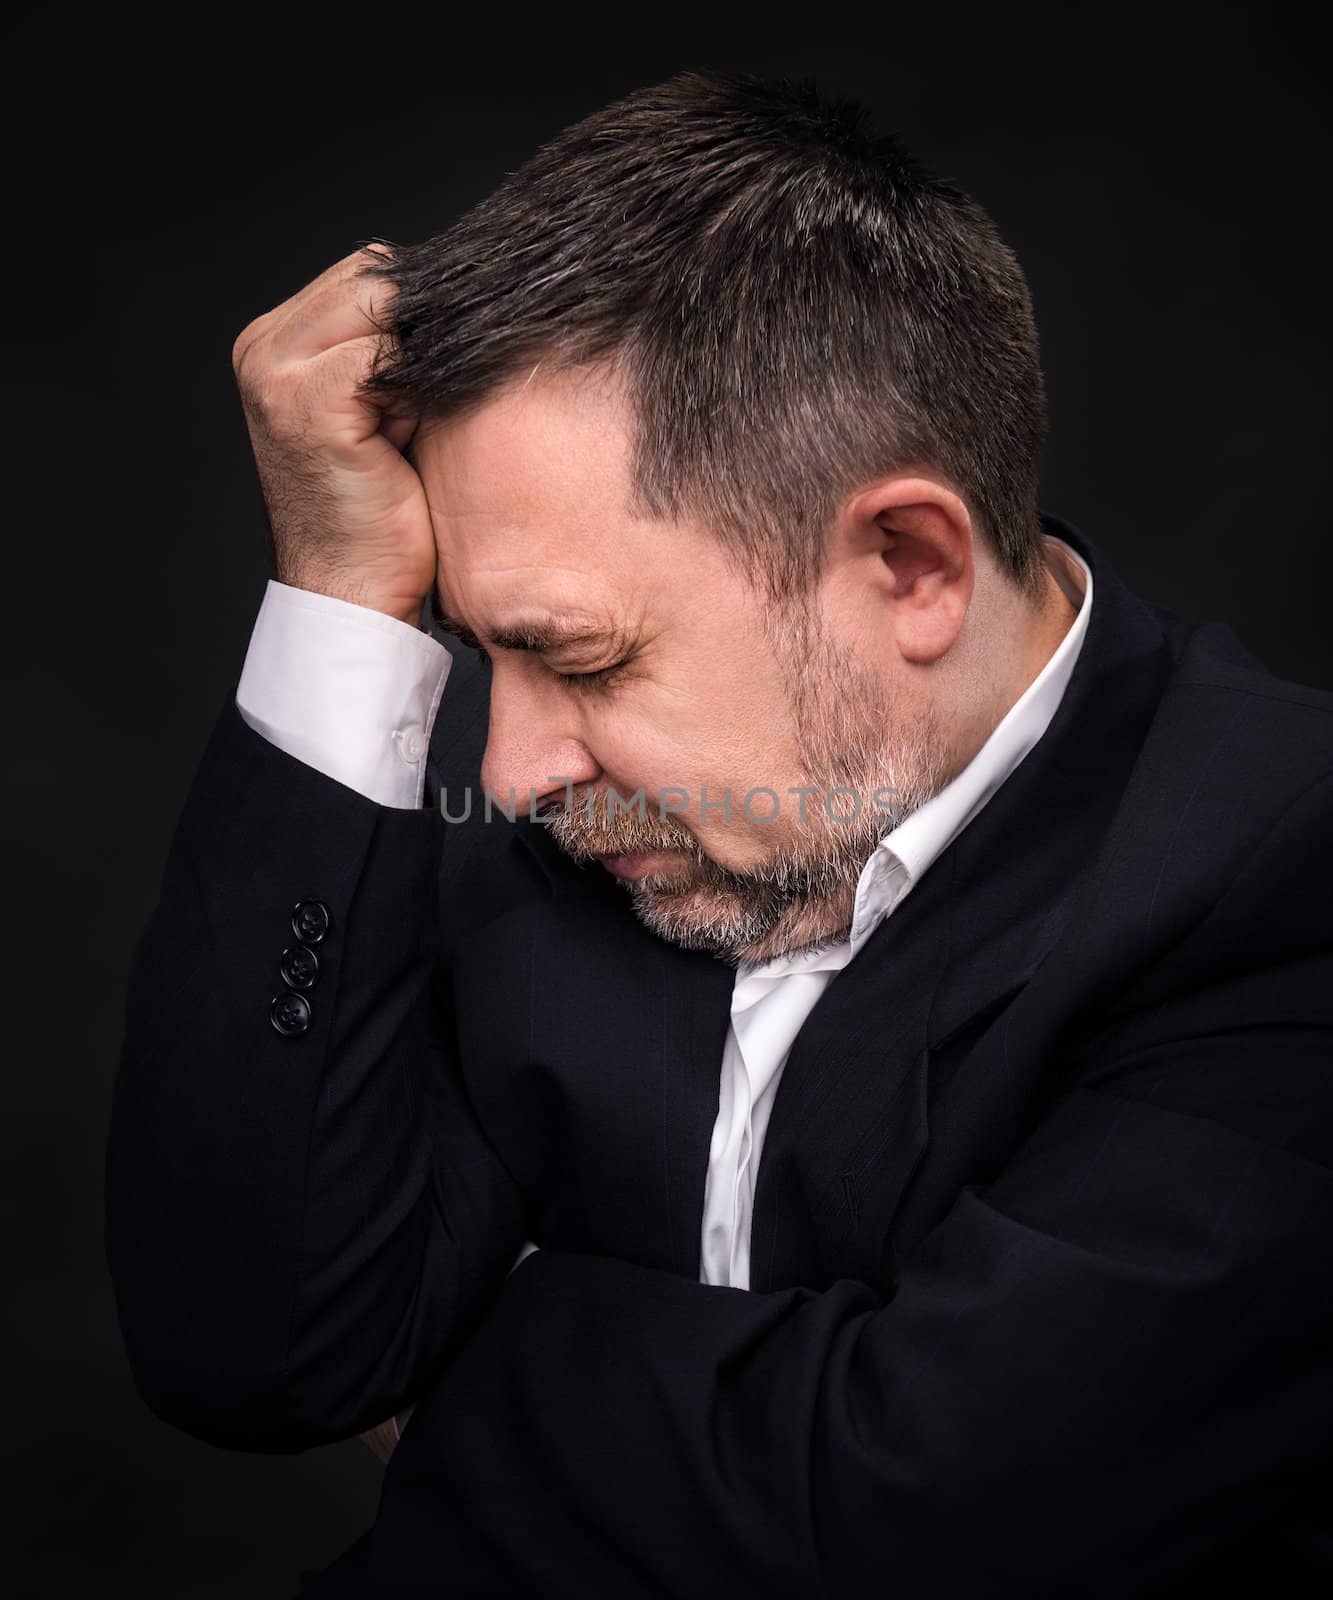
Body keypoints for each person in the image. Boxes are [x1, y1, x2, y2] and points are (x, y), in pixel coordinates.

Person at [103, 69, 1333, 1596]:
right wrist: (341, 594)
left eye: (588, 656)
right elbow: (250, 1354)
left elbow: (951, 1514)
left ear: (910, 563)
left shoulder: (1284, 862)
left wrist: (460, 1378)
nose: (511, 766)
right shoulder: (583, 812)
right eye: (483, 653)